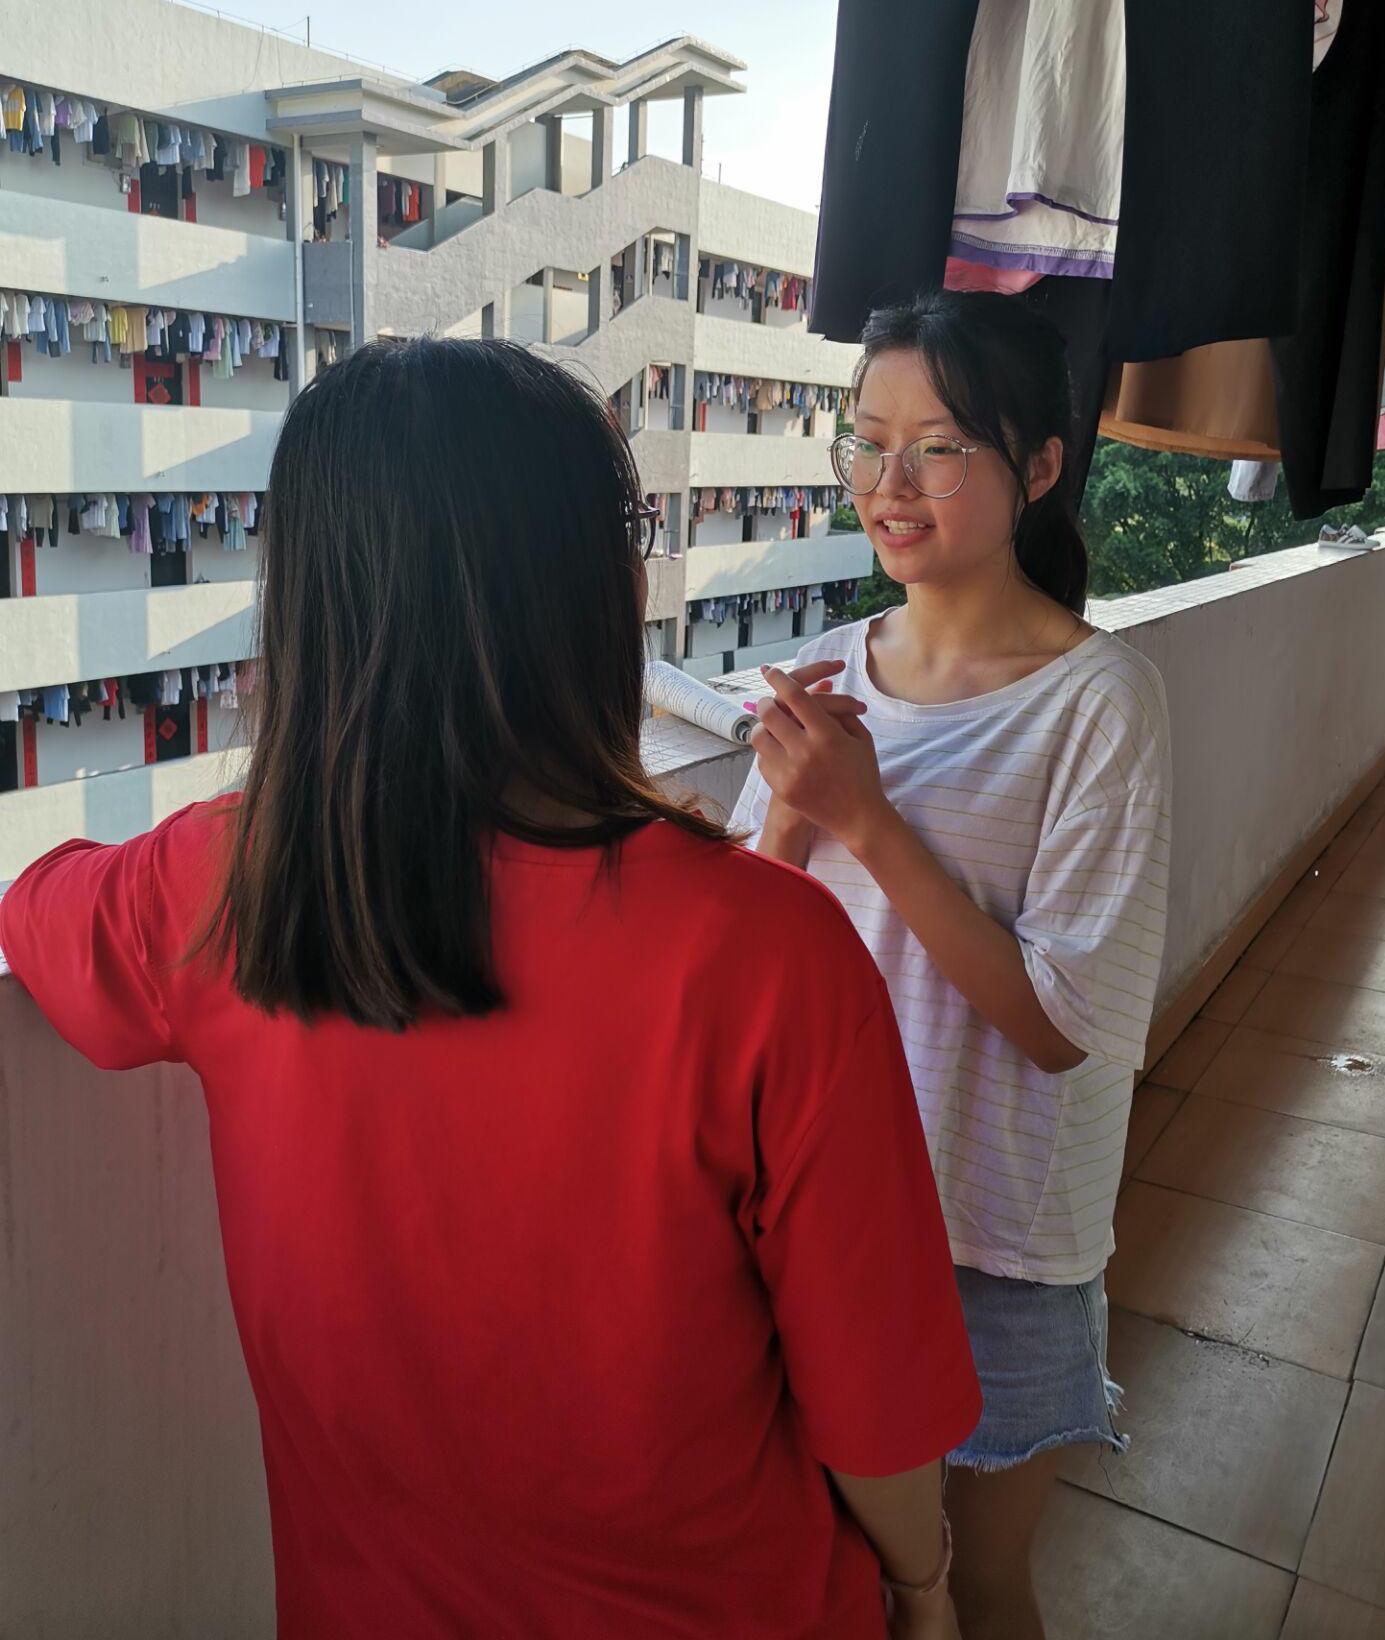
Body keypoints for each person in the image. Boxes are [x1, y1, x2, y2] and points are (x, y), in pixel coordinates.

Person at [0, 338, 982, 1640]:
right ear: (591, 588)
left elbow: (36, 905)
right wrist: (925, 1590)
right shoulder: (776, 957)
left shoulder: (217, 888)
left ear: (317, 603)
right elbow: (879, 1430)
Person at [736, 291, 1172, 1640]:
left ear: (1038, 466)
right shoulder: (827, 674)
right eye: (868, 444)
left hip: (995, 1224)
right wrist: (794, 820)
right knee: (852, 1574)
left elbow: (1059, 1022)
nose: (891, 482)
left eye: (938, 448)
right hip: (831, 1201)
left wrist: (866, 819)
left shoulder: (1099, 701)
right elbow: (754, 944)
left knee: (981, 1585)